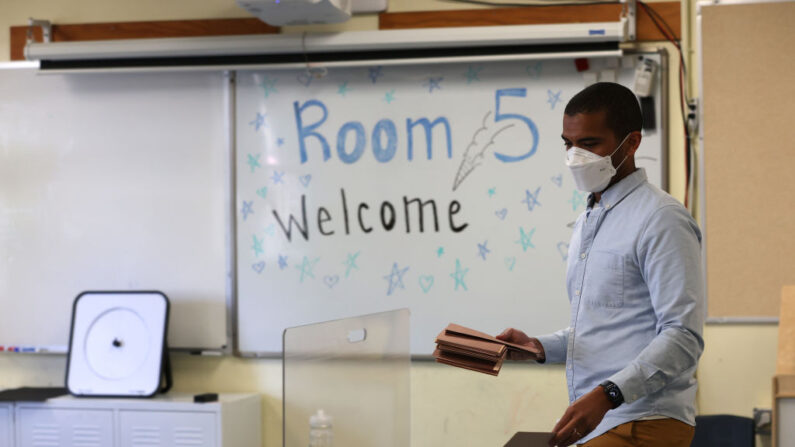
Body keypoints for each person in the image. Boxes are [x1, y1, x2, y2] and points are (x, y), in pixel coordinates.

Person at [497, 82, 705, 447]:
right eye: (568, 144)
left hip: (643, 419)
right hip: (601, 421)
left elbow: (683, 336)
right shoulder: (590, 219)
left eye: (589, 144)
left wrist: (609, 393)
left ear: (632, 143)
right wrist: (537, 347)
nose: (575, 155)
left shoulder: (662, 218)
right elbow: (601, 326)